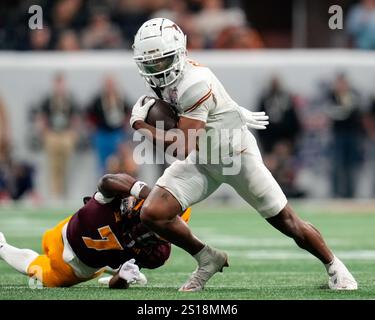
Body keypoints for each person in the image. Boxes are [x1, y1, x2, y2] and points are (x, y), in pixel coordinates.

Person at [129, 18, 357, 292]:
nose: (157, 70)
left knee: (287, 221)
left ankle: (335, 266)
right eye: (150, 63)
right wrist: (230, 108)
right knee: (153, 213)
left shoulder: (193, 83)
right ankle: (207, 258)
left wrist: (142, 126)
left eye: (162, 61)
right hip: (203, 159)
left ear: (179, 53)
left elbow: (182, 146)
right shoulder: (172, 79)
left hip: (235, 157)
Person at [0, 173, 191, 288]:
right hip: (64, 231)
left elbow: (118, 283)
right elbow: (106, 181)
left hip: (75, 269)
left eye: (164, 225)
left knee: (36, 270)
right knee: (48, 243)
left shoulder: (158, 253)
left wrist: (122, 278)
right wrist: (143, 192)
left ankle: (2, 247)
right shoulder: (124, 196)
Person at [36, 73, 79, 199]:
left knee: (66, 166)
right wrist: (44, 132)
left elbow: (75, 118)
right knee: (54, 166)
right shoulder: (48, 100)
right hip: (53, 134)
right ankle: (55, 194)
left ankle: (65, 193)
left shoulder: (70, 100)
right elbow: (42, 117)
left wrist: (73, 133)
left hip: (65, 134)